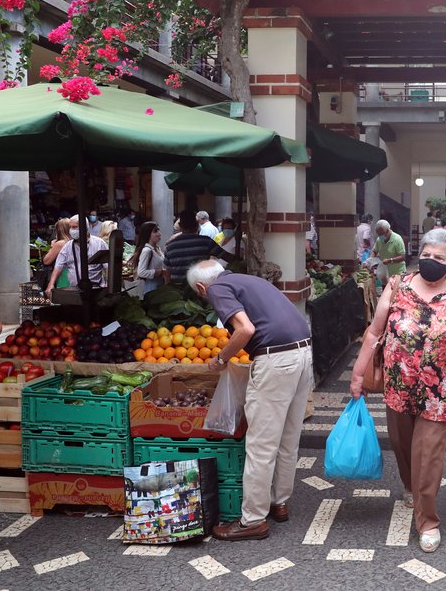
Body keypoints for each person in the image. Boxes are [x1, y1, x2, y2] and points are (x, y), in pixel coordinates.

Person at [350, 229, 446, 554]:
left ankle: (427, 519)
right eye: (426, 255)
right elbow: (374, 333)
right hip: (397, 385)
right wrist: (358, 375)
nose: (431, 261)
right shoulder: (397, 285)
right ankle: (409, 485)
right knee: (402, 445)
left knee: (428, 455)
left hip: (437, 391)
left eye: (439, 258)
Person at [187, 259, 313, 542]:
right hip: (304, 353)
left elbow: (245, 330)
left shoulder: (217, 288)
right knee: (287, 438)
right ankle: (278, 502)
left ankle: (253, 520)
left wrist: (221, 358)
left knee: (261, 444)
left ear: (200, 286)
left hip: (276, 360)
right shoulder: (249, 280)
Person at [45, 215, 109, 296]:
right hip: (75, 290)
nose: (71, 230)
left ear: (85, 228)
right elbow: (58, 267)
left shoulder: (99, 244)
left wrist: (108, 285)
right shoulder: (68, 246)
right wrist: (51, 284)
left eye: (74, 227)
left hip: (96, 289)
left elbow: (108, 266)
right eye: (70, 227)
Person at [164, 212, 233, 284]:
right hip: (200, 288)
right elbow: (228, 257)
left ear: (180, 226)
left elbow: (167, 272)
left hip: (176, 290)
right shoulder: (206, 242)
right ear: (197, 224)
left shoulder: (170, 246)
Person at [129, 221, 168, 294]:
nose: (159, 234)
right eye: (155, 231)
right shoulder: (147, 251)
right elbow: (141, 272)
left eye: (158, 230)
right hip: (150, 288)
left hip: (158, 286)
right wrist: (160, 272)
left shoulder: (157, 248)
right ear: (148, 234)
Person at [371, 219, 406, 284]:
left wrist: (390, 260)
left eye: (381, 234)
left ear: (387, 231)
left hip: (397, 273)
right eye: (378, 234)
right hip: (385, 273)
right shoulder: (379, 240)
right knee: (385, 290)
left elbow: (403, 257)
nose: (380, 236)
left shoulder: (397, 239)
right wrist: (371, 259)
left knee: (396, 291)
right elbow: (375, 251)